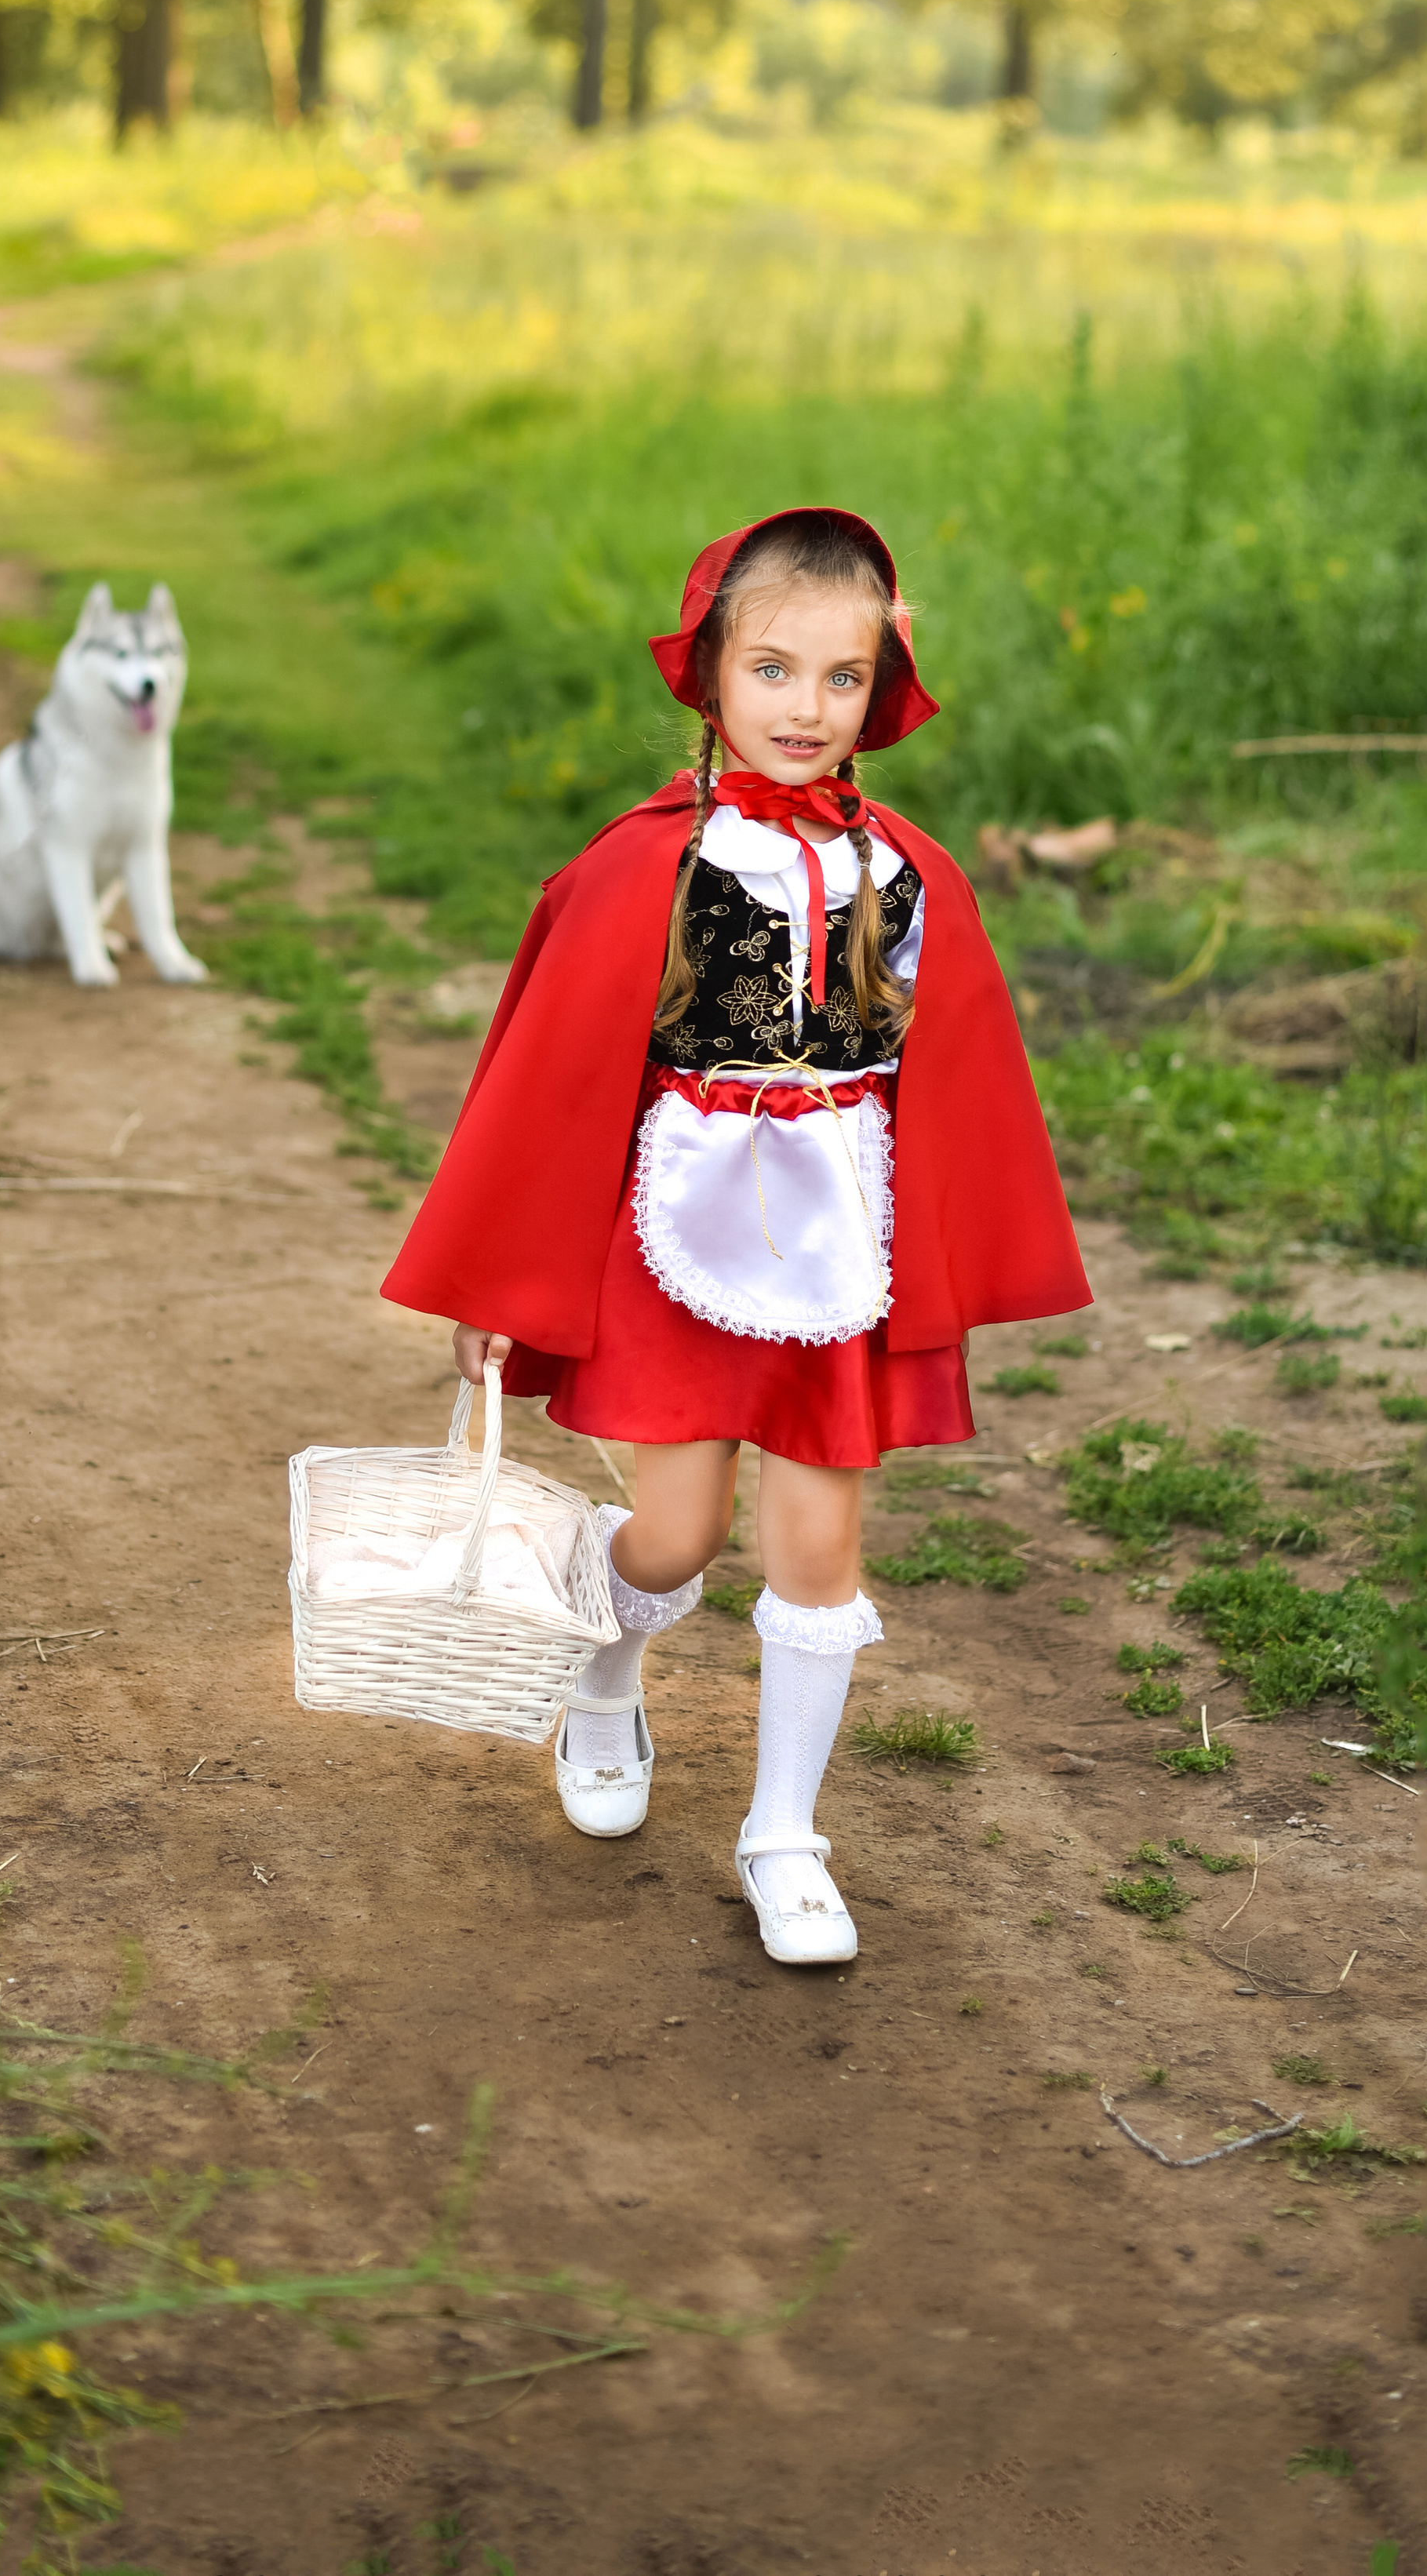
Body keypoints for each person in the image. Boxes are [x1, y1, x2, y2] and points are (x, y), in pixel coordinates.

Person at [381, 507, 1090, 1965]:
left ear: (881, 688)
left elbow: (954, 1081)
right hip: (677, 1229)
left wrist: (944, 1258)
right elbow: (551, 1081)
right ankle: (604, 1672)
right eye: (773, 669)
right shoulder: (647, 866)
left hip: (839, 1247)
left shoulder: (907, 875)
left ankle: (784, 1836)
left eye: (842, 677)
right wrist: (500, 1277)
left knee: (819, 1550)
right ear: (710, 672)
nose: (806, 707)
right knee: (676, 1535)